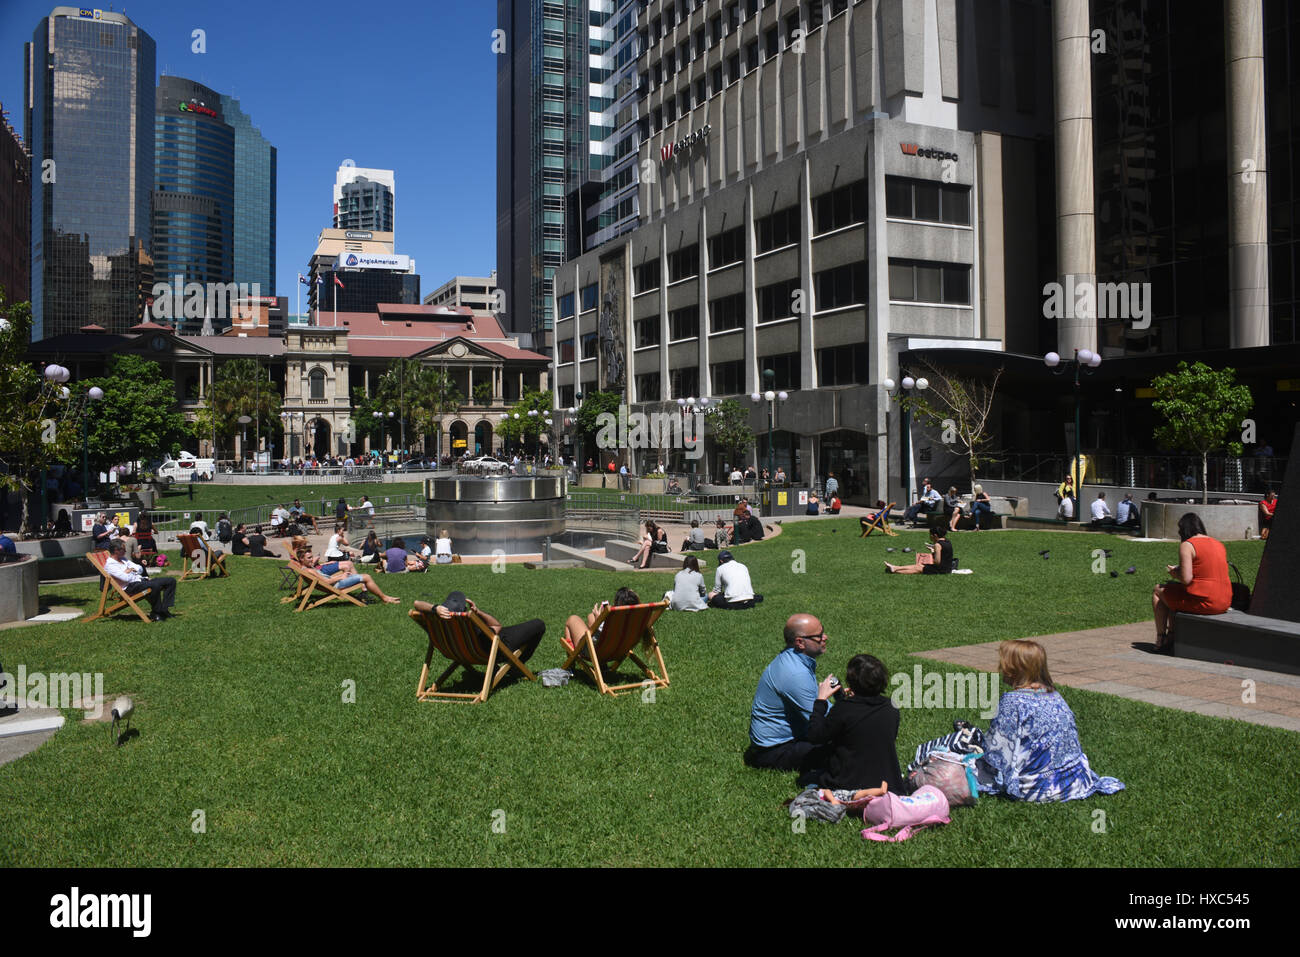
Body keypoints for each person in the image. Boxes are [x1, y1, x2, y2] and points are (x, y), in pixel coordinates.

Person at [977, 639, 1125, 802]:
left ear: (1014, 669)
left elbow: (996, 752)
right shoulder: (1054, 695)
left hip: (1038, 788)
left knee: (964, 763)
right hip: (1075, 781)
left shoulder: (1012, 702)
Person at [804, 654, 905, 793]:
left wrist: (821, 700)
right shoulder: (891, 706)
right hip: (885, 782)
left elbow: (815, 736)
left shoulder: (844, 709)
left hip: (848, 783)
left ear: (851, 682)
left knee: (807, 777)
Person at [744, 613, 832, 773]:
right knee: (841, 750)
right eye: (819, 636)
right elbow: (822, 723)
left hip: (786, 740)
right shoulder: (795, 673)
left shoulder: (794, 660)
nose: (825, 637)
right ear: (800, 642)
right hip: (774, 751)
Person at [1152, 513, 1232, 652]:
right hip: (1225, 600)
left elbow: (1186, 579)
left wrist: (1174, 572)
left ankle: (1161, 637)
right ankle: (1172, 636)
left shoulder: (1187, 545)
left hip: (1205, 602)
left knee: (1158, 591)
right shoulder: (1218, 544)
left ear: (1183, 530)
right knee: (1173, 592)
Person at [420, 590, 545, 662]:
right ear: (462, 612)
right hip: (493, 647)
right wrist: (478, 612)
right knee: (539, 624)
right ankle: (516, 667)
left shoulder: (436, 623)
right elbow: (497, 625)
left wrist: (435, 608)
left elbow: (416, 603)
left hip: (458, 652)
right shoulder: (470, 627)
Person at [294, 546, 400, 604]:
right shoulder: (309, 571)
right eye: (309, 558)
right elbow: (325, 582)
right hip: (336, 585)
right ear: (301, 559)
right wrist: (341, 576)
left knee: (362, 575)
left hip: (335, 582)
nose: (312, 559)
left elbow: (323, 580)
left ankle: (384, 597)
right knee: (366, 577)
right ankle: (384, 598)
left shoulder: (306, 569)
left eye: (311, 557)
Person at [104, 539, 177, 622]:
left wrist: (129, 571)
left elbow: (140, 568)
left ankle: (164, 609)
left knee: (171, 581)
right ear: (116, 550)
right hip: (129, 587)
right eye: (123, 549)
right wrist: (132, 572)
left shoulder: (123, 559)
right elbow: (126, 579)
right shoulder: (110, 565)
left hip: (140, 581)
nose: (126, 550)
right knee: (154, 586)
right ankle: (156, 612)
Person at [885, 526, 954, 575]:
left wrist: (933, 552)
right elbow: (945, 555)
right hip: (947, 568)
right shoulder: (948, 541)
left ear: (935, 535)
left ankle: (894, 571)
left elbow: (937, 562)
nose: (930, 537)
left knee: (918, 569)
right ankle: (895, 567)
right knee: (919, 565)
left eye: (930, 535)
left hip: (941, 570)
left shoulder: (937, 545)